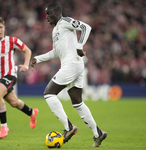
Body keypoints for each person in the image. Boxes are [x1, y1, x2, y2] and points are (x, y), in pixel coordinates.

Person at [31, 3, 107, 147]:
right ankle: (98, 133)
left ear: (58, 12)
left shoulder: (65, 21)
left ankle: (69, 127)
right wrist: (37, 58)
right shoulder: (55, 30)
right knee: (77, 103)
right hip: (74, 66)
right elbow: (55, 52)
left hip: (72, 64)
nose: (46, 17)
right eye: (46, 14)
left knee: (48, 93)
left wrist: (79, 46)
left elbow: (86, 27)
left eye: (49, 13)